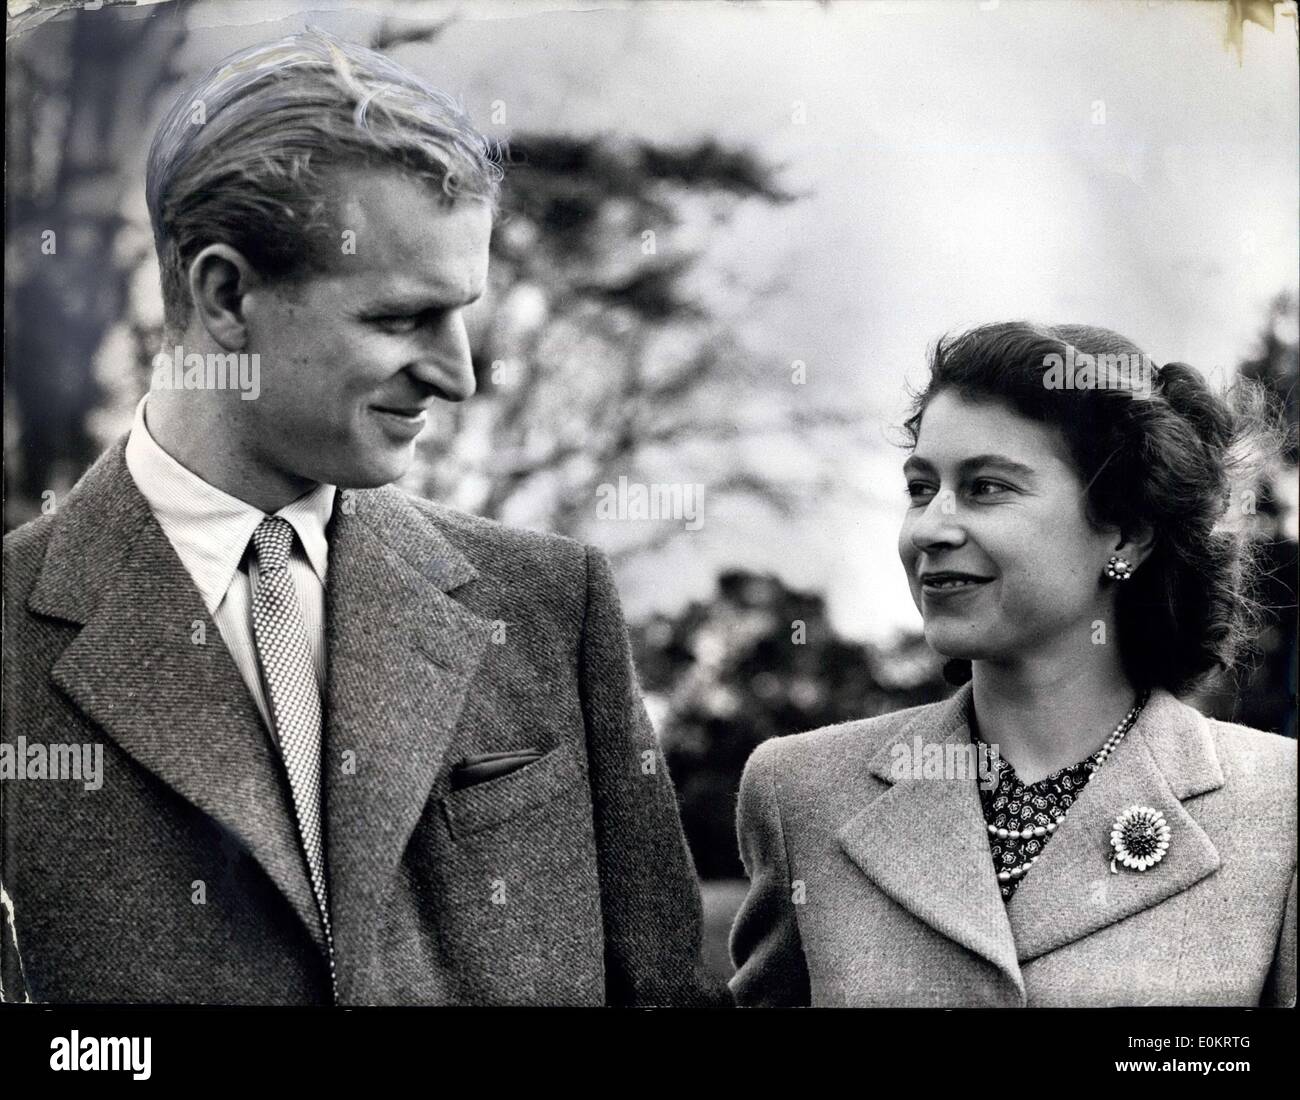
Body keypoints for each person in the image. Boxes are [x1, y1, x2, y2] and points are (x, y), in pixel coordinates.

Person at [1, 29, 726, 1008]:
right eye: (398, 319)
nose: (458, 374)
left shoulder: (553, 605)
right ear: (225, 294)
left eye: (460, 313)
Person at [729, 321, 1296, 1007]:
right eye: (920, 487)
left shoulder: (1279, 808)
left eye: (987, 488)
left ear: (1127, 532)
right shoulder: (800, 796)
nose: (930, 528)